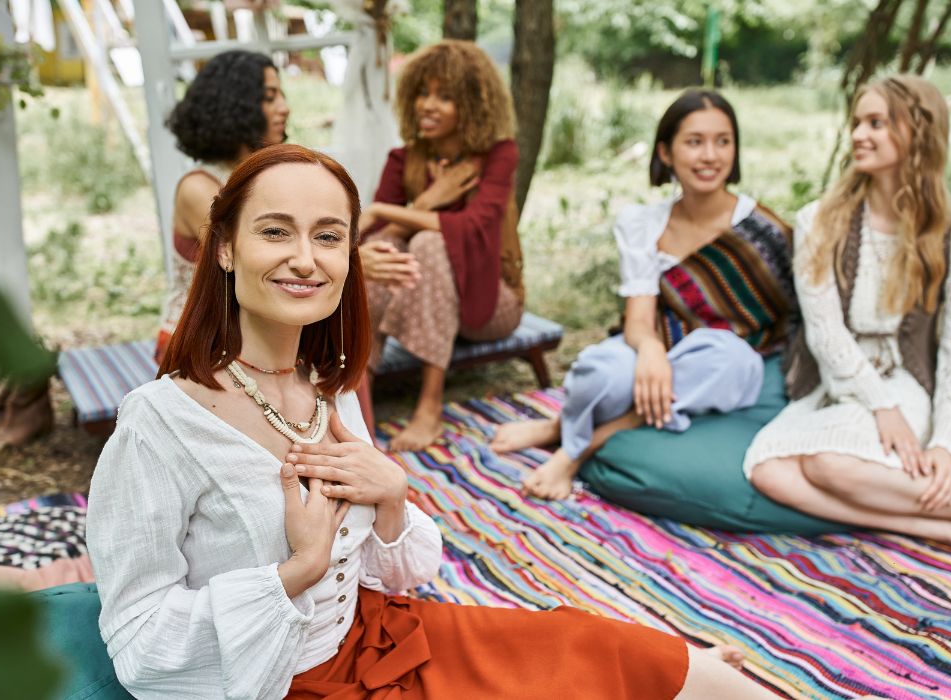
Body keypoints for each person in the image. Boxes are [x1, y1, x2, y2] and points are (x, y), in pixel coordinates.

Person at [85, 144, 778, 699]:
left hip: (387, 642)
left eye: (329, 236)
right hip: (272, 684)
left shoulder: (327, 387)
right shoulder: (159, 423)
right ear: (226, 248)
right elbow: (141, 646)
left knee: (623, 655)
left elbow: (389, 575)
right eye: (275, 232)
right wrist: (295, 570)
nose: (305, 258)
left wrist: (390, 499)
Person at [491, 89, 798, 500]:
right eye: (694, 142)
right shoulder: (643, 224)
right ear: (666, 153)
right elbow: (639, 319)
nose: (710, 155)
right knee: (597, 370)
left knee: (727, 360)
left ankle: (580, 444)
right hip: (666, 339)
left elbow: (792, 313)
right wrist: (651, 351)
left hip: (730, 356)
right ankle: (558, 424)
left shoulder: (762, 230)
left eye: (723, 141)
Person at [745, 75, 951, 544]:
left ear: (917, 134)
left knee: (826, 464)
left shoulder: (948, 230)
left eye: (877, 123)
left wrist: (946, 444)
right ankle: (928, 524)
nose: (860, 134)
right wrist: (880, 406)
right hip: (841, 382)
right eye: (858, 122)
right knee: (767, 470)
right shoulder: (818, 220)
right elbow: (825, 333)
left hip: (908, 382)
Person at [359, 40, 525, 451]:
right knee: (381, 251)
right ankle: (357, 404)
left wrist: (390, 210)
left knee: (433, 242)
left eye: (445, 96)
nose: (428, 105)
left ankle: (429, 408)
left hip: (489, 303)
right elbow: (369, 237)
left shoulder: (499, 157)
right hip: (425, 297)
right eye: (422, 93)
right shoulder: (404, 159)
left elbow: (471, 227)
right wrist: (427, 201)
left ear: (472, 104)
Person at [154, 49, 290, 364]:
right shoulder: (198, 187)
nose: (285, 108)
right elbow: (252, 255)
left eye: (282, 96)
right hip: (202, 338)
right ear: (235, 106)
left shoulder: (268, 176)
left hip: (255, 329)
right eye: (270, 98)